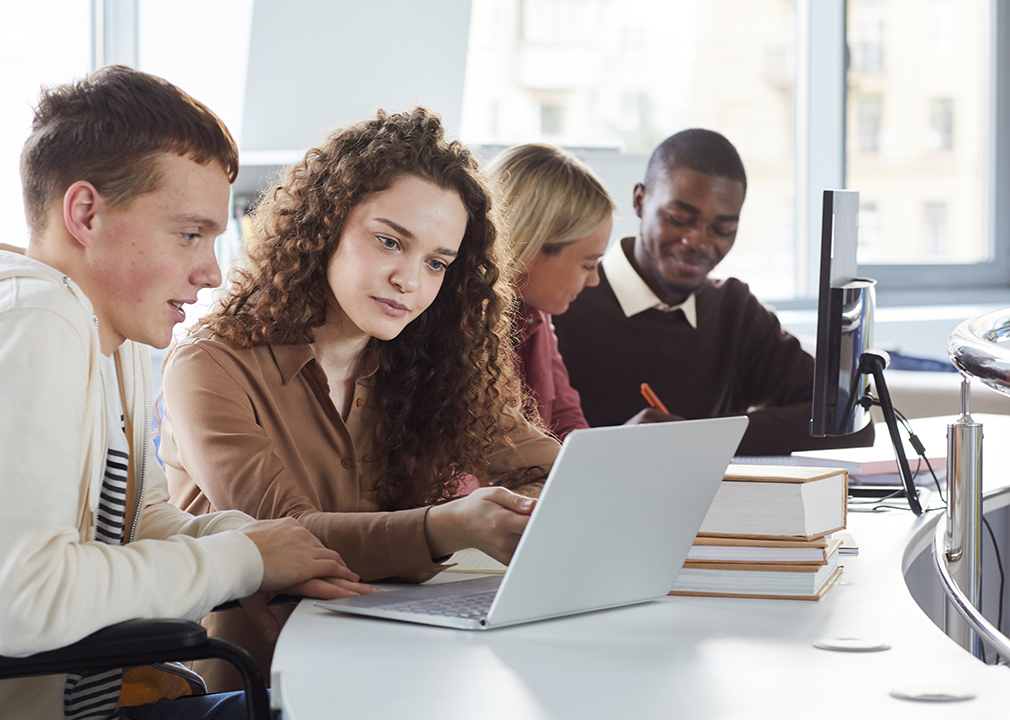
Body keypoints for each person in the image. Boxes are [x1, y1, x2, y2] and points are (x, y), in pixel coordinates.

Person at [0, 66, 371, 720]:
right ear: (85, 213)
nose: (209, 271)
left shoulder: (102, 334)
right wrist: (248, 558)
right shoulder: (26, 324)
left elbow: (144, 530)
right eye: (189, 233)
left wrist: (276, 544)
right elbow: (25, 605)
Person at [158, 108, 560, 690]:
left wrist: (525, 512)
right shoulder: (210, 362)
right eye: (390, 241)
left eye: (436, 263)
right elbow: (289, 539)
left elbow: (544, 472)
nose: (410, 280)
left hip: (398, 665)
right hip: (255, 685)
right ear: (325, 225)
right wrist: (451, 527)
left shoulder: (433, 361)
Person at [553, 128, 873, 455]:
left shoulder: (735, 312)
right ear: (640, 200)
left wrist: (697, 439)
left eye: (723, 229)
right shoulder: (562, 303)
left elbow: (848, 421)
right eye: (678, 218)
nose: (698, 242)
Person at [486, 143, 616, 439]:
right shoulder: (452, 324)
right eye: (587, 264)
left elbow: (566, 421)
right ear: (530, 248)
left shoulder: (536, 316)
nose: (594, 280)